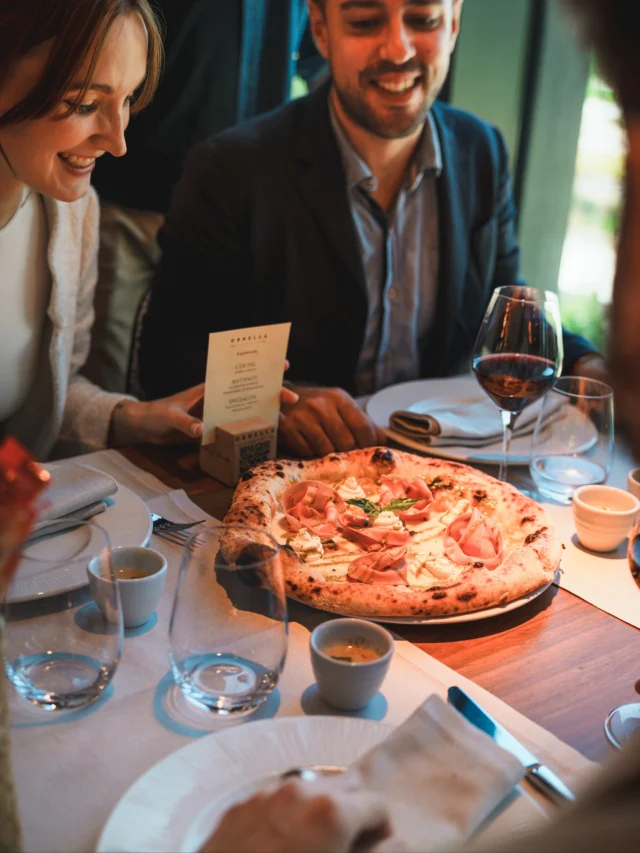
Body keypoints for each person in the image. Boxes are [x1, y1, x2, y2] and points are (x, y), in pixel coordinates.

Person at [138, 0, 606, 459]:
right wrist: (275, 402)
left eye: (423, 19)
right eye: (365, 22)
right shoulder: (230, 169)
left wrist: (586, 362)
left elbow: (504, 315)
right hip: (292, 487)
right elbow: (165, 362)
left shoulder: (481, 150)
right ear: (320, 29)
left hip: (435, 480)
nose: (398, 50)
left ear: (455, 21)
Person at [0, 0, 298, 462]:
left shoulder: (72, 215)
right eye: (83, 104)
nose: (117, 142)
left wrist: (132, 418)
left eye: (128, 100)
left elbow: (49, 400)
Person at [84, 0, 325, 394]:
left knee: (235, 402)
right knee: (110, 387)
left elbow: (317, 58)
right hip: (132, 203)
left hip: (243, 215)